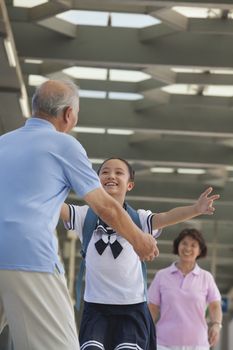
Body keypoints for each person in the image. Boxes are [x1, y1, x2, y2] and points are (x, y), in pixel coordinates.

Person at [0, 80, 159, 350]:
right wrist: (138, 239)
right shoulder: (65, 145)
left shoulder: (3, 142)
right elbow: (106, 207)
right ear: (68, 114)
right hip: (29, 255)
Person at [61, 157, 220, 350]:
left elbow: (167, 217)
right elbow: (57, 208)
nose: (111, 175)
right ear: (96, 181)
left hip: (131, 308)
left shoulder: (140, 219)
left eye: (119, 172)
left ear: (129, 185)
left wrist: (195, 209)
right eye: (105, 172)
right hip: (96, 308)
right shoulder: (84, 216)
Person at [148, 228, 223, 350]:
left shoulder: (206, 277)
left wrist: (216, 325)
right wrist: (145, 331)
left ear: (200, 251)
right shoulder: (162, 275)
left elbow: (215, 305)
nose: (188, 248)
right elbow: (152, 307)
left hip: (198, 345)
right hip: (164, 344)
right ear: (178, 246)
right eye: (184, 243)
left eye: (193, 245)